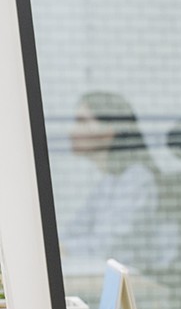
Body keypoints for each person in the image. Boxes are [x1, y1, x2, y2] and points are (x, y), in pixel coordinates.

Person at [61, 91, 169, 269]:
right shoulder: (109, 182)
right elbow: (76, 229)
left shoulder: (137, 179)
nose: (71, 131)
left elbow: (113, 245)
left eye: (82, 121)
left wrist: (64, 248)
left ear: (109, 130)